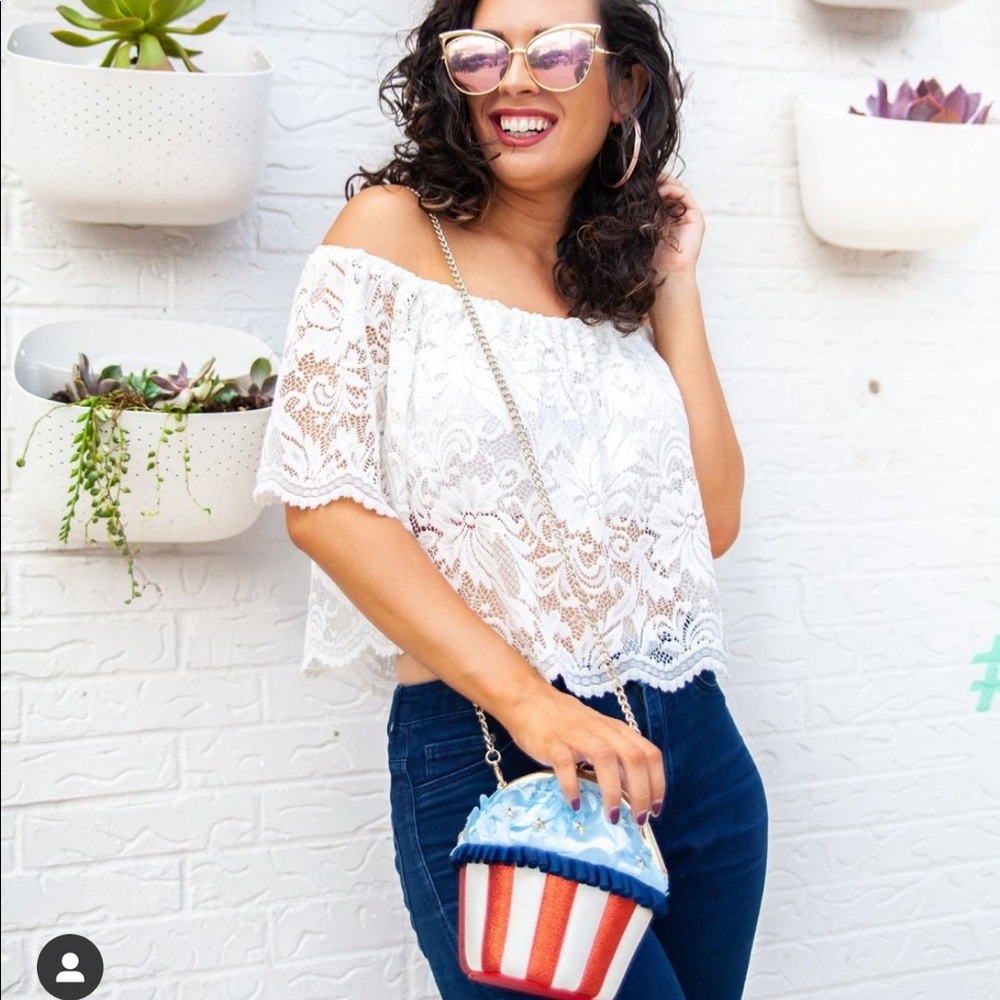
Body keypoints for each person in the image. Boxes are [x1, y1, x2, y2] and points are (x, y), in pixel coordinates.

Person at [254, 0, 769, 997]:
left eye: (561, 52)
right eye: (486, 52)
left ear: (625, 87)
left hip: (692, 749)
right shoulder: (390, 232)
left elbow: (711, 523)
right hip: (499, 742)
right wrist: (532, 704)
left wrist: (675, 290)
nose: (518, 76)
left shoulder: (614, 282)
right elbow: (324, 499)